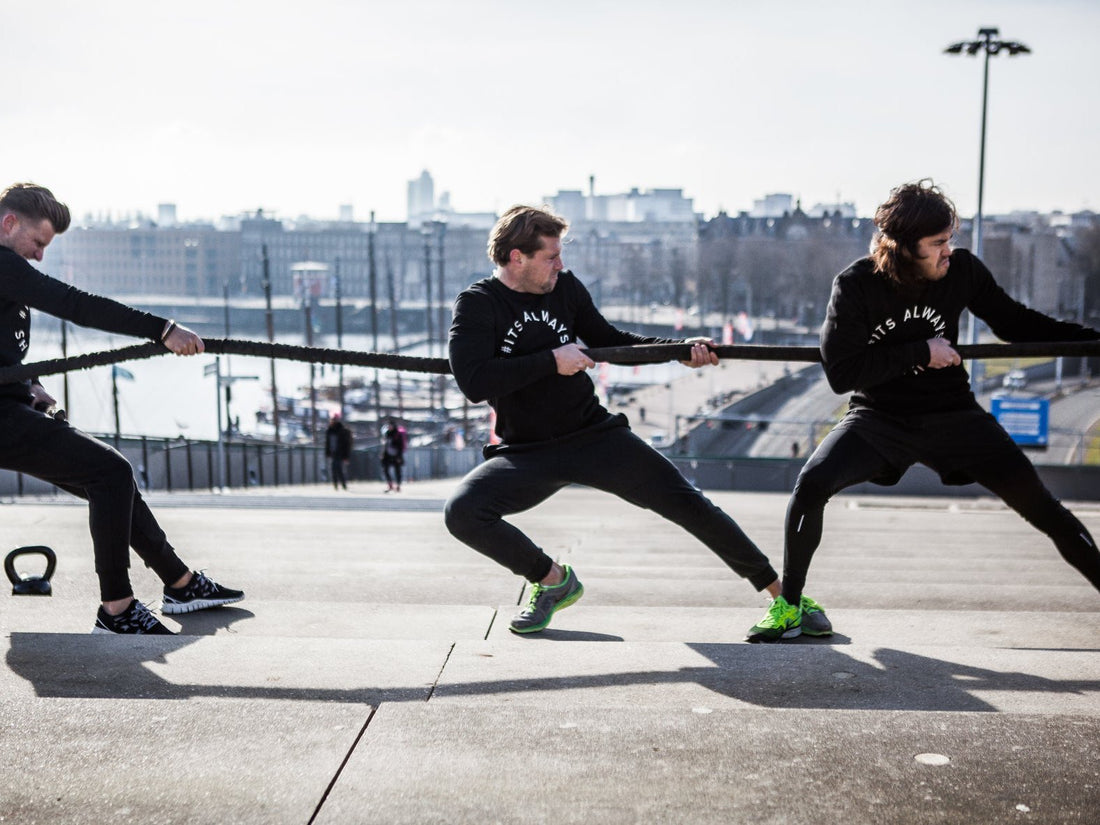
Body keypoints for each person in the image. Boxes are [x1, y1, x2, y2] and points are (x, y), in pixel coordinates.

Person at [445, 205, 831, 635]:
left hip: (593, 435)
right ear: (517, 257)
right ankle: (552, 582)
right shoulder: (479, 304)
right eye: (551, 256)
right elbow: (474, 380)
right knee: (463, 513)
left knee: (691, 505)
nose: (561, 264)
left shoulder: (565, 288)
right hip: (527, 451)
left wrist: (680, 349)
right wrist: (552, 360)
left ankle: (786, 599)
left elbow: (611, 341)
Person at [750, 179, 1100, 641]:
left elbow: (1017, 324)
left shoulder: (962, 272)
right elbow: (841, 373)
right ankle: (790, 607)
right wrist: (921, 351)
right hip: (879, 419)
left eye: (949, 239)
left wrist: (1094, 342)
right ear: (903, 247)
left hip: (954, 414)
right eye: (938, 243)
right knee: (812, 484)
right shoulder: (856, 285)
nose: (948, 251)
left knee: (1043, 507)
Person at [0, 183, 243, 635]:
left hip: (12, 409)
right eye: (38, 243)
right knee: (109, 472)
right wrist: (162, 329)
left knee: (113, 482)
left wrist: (30, 384)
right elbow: (74, 304)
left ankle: (181, 583)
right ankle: (118, 609)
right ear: (9, 224)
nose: (39, 257)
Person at [324, 412, 353, 490]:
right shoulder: (329, 431)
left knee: (339, 469)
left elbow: (347, 444)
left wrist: (346, 456)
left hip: (340, 453)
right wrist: (327, 452)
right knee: (333, 469)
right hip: (332, 452)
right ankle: (335, 485)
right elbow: (327, 443)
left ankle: (343, 485)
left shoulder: (342, 430)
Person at [380, 417, 406, 492]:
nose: (389, 427)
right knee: (385, 469)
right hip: (387, 455)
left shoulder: (398, 434)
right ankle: (390, 484)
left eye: (390, 425)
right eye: (388, 425)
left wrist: (399, 457)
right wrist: (382, 453)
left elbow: (400, 446)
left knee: (397, 470)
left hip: (396, 455)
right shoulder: (387, 433)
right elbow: (385, 444)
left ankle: (398, 485)